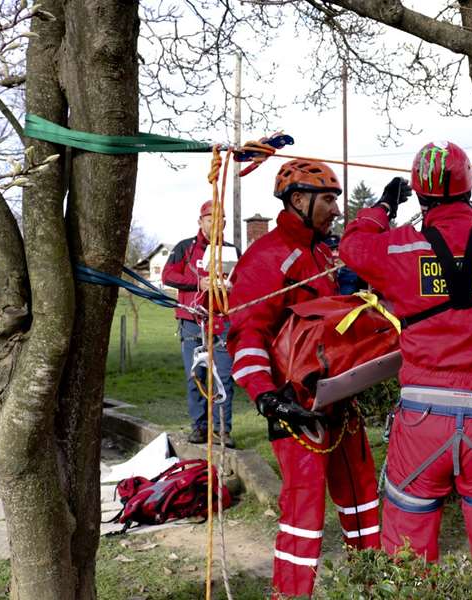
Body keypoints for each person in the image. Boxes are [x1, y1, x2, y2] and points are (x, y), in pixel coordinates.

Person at [340, 141, 472, 566]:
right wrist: (468, 214)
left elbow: (352, 247)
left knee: (407, 554)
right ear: (470, 189)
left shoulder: (399, 250)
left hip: (422, 422)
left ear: (420, 195)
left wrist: (382, 208)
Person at [226, 159, 380, 599]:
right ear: (298, 200)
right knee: (304, 513)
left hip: (339, 401)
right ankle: (291, 594)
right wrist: (267, 397)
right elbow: (246, 334)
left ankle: (371, 584)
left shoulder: (321, 252)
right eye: (328, 199)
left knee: (362, 497)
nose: (336, 209)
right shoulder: (267, 258)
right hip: (296, 409)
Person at [162, 200, 238, 448]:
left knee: (224, 377)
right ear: (201, 221)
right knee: (196, 376)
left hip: (222, 322)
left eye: (222, 219)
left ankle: (221, 430)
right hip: (192, 323)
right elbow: (168, 275)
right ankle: (200, 427)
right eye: (211, 219)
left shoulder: (231, 250)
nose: (217, 224)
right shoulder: (185, 248)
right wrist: (199, 284)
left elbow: (243, 280)